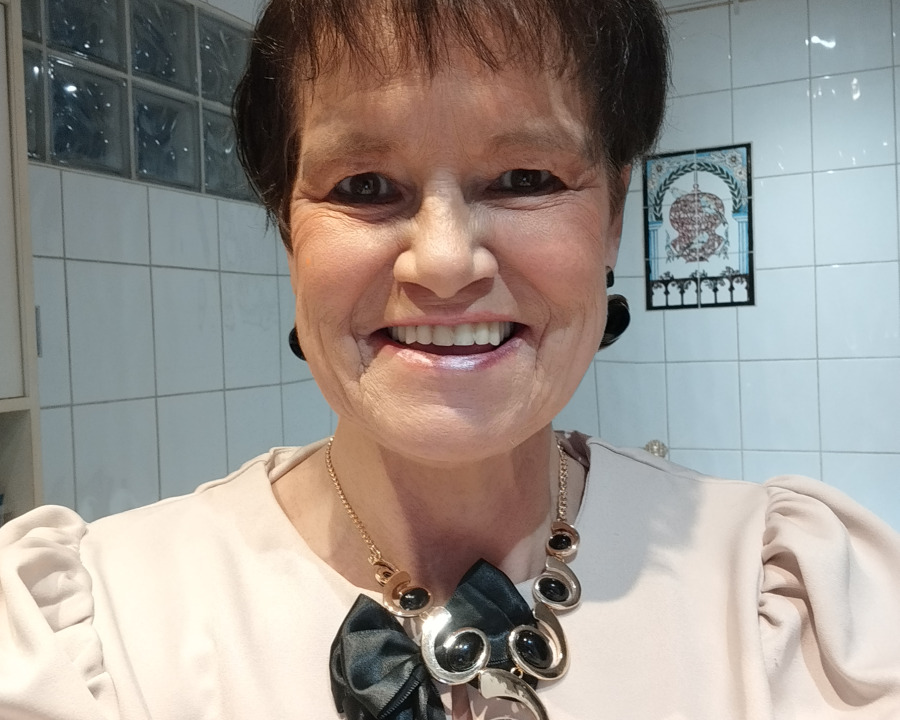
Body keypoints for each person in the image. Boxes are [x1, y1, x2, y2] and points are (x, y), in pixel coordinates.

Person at [2, 0, 899, 718]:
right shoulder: (93, 637)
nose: (441, 262)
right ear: (287, 230)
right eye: (363, 187)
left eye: (526, 179)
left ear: (615, 217)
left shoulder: (787, 600)